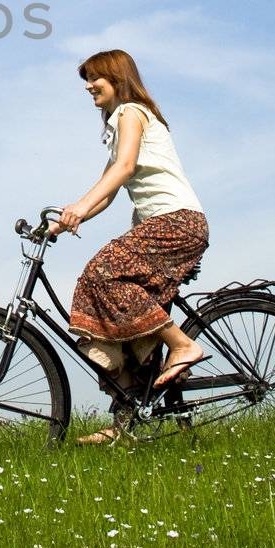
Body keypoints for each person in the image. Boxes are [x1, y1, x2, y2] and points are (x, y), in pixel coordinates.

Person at [48, 48, 210, 444]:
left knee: (104, 271)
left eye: (94, 78)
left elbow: (124, 170)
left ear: (117, 79)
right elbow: (108, 190)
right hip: (167, 225)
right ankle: (127, 421)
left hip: (177, 223)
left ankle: (183, 345)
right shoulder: (120, 124)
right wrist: (69, 219)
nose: (88, 86)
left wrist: (79, 208)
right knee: (108, 298)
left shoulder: (131, 112)